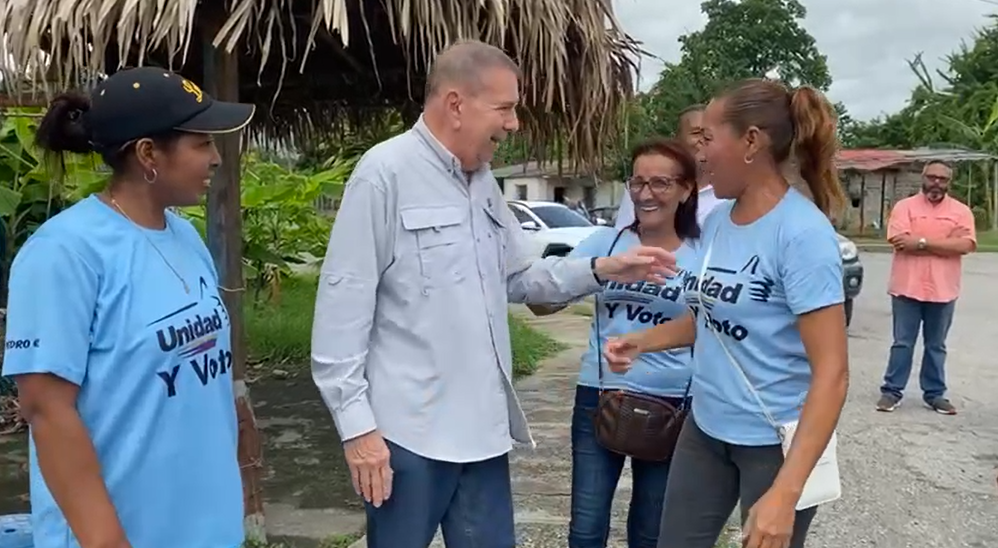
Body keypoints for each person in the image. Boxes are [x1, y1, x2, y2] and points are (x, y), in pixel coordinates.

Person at [310, 40, 676, 548]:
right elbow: (341, 309)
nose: (513, 124)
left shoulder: (481, 181)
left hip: (481, 432)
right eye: (504, 108)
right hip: (406, 436)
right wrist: (358, 431)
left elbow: (521, 277)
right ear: (456, 104)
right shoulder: (384, 174)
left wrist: (603, 268)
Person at [1, 67, 255, 548]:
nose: (216, 159)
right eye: (201, 144)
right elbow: (46, 408)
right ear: (147, 154)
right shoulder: (64, 253)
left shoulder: (184, 237)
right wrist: (106, 541)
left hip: (206, 529)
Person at [603, 78, 850, 548]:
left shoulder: (802, 234)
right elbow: (711, 317)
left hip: (773, 442)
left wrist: (786, 491)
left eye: (709, 139)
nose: (700, 154)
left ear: (751, 141)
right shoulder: (717, 221)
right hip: (706, 427)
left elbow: (833, 373)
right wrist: (643, 342)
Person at [529, 138, 700, 548]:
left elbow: (713, 326)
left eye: (660, 182)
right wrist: (603, 272)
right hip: (600, 395)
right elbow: (539, 305)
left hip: (674, 403)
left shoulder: (706, 251)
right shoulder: (606, 243)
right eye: (637, 182)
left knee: (650, 531)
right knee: (585, 530)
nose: (646, 194)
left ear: (686, 189)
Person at [877, 160, 976, 415]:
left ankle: (934, 394)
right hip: (906, 288)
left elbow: (965, 245)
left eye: (942, 179)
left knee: (936, 345)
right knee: (902, 343)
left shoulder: (961, 211)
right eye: (932, 177)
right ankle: (891, 392)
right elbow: (899, 241)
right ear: (923, 178)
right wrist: (943, 244)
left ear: (948, 183)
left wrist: (919, 242)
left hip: (943, 290)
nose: (936, 183)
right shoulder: (904, 207)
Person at [615, 104, 726, 230]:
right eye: (697, 133)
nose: (703, 140)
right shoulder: (640, 187)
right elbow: (623, 235)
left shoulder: (729, 192)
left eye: (709, 135)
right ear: (677, 139)